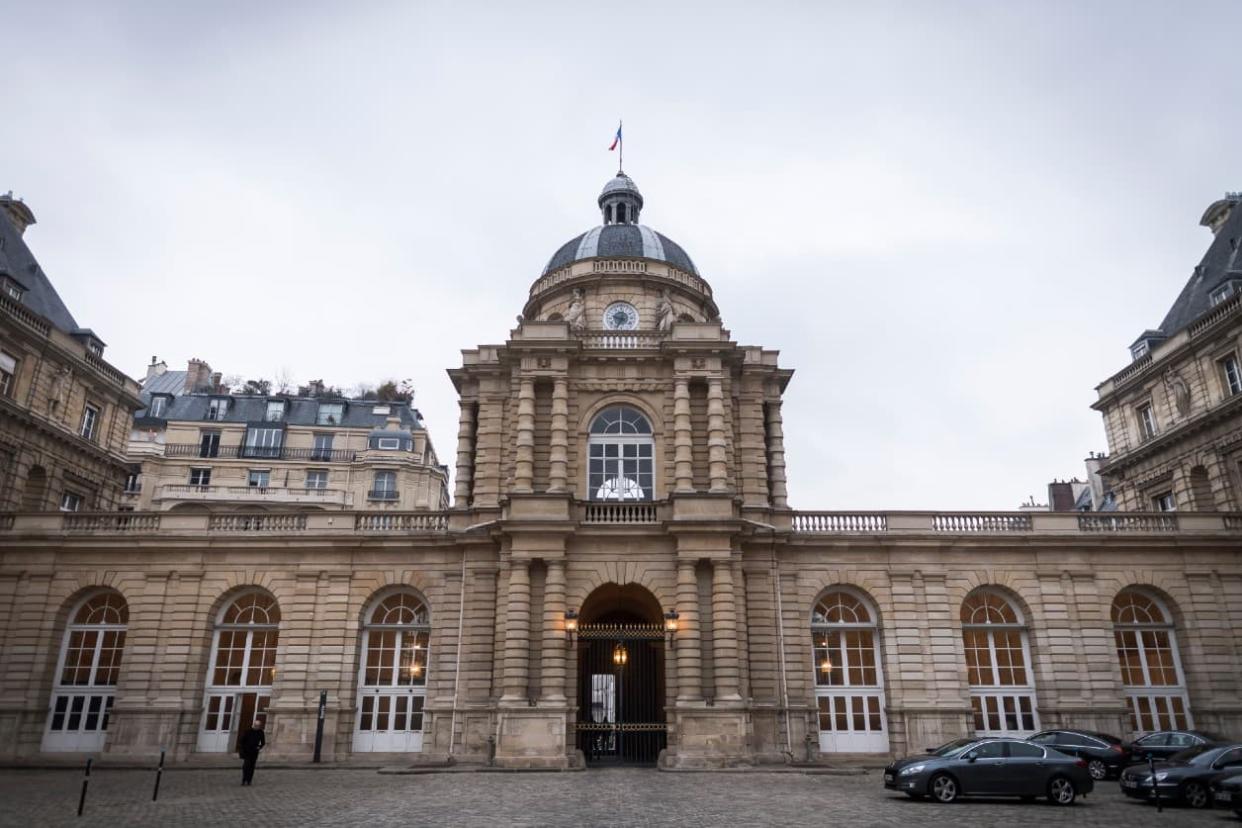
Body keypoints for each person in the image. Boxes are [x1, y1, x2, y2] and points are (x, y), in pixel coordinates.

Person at [238, 718, 266, 786]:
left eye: (258, 726)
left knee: (252, 767)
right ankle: (244, 779)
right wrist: (243, 749)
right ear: (253, 725)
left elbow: (263, 742)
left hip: (254, 752)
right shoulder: (247, 731)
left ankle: (249, 780)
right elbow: (242, 741)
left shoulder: (260, 732)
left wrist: (259, 747)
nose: (257, 727)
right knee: (246, 766)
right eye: (256, 725)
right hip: (247, 751)